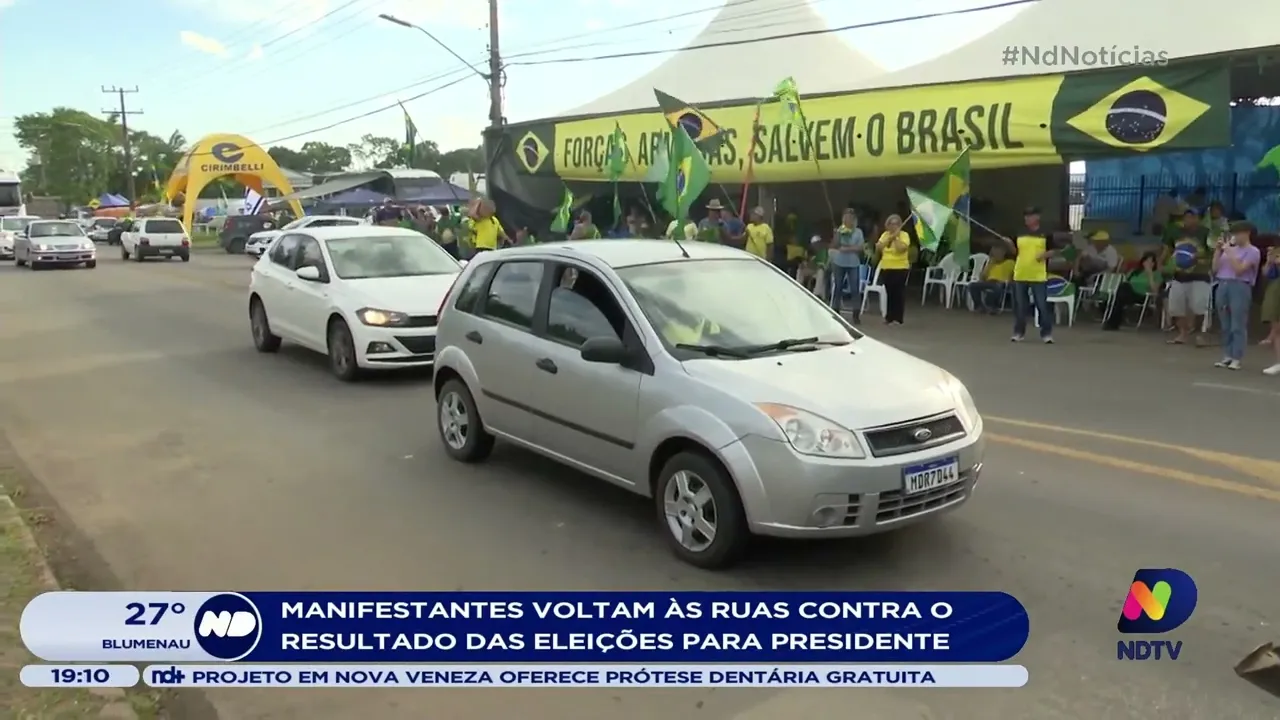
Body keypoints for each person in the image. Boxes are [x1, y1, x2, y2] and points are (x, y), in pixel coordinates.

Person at [1211, 221, 1262, 370]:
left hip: (1240, 285)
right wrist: (1218, 251)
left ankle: (1237, 357)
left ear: (1247, 233)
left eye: (1237, 233)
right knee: (1224, 323)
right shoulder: (1229, 250)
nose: (1234, 237)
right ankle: (1227, 354)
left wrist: (1230, 253)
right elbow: (1215, 268)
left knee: (1237, 323)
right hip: (1223, 284)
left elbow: (1239, 269)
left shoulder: (1253, 251)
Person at [1161, 209, 1213, 346]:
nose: (1189, 220)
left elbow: (1214, 252)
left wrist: (1199, 258)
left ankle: (1200, 335)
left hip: (1200, 275)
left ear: (1198, 219)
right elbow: (1168, 249)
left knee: (1199, 307)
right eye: (1187, 217)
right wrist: (1162, 263)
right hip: (1179, 275)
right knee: (1175, 307)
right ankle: (1182, 333)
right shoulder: (1175, 232)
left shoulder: (1206, 233)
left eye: (1193, 217)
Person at [1006, 206, 1056, 343]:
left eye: (1031, 216)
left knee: (1042, 305)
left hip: (1038, 275)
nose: (1027, 218)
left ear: (1038, 217)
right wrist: (1009, 244)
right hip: (1020, 273)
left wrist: (1045, 255)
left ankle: (1046, 333)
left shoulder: (1046, 233)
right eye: (1026, 216)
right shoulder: (1019, 232)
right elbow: (1015, 252)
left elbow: (1054, 251)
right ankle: (1018, 332)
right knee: (1020, 306)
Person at [1103, 252, 1162, 330]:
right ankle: (1113, 322)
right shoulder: (1135, 272)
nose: (1149, 264)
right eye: (1147, 261)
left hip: (1142, 296)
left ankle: (1113, 321)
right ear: (1143, 262)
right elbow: (1127, 280)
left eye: (1152, 262)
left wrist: (1150, 275)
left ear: (1154, 263)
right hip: (1128, 294)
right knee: (1122, 290)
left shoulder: (1156, 274)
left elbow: (1155, 291)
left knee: (1120, 295)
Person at [875, 214, 912, 325]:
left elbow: (901, 249)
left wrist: (896, 238)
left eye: (896, 224)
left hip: (900, 268)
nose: (893, 226)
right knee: (889, 292)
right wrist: (889, 239)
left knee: (898, 293)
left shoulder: (904, 235)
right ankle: (889, 317)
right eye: (891, 223)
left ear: (900, 225)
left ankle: (898, 318)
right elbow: (878, 247)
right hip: (887, 267)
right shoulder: (885, 235)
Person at [828, 208, 864, 319]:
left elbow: (860, 247)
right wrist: (836, 235)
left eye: (850, 217)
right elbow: (835, 245)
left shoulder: (858, 232)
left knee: (855, 288)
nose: (848, 219)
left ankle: (856, 313)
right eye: (846, 217)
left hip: (853, 263)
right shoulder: (840, 230)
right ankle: (835, 310)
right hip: (839, 262)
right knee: (838, 287)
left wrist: (847, 248)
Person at [966, 245, 1014, 314]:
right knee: (972, 286)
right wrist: (989, 265)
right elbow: (982, 277)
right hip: (989, 282)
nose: (996, 255)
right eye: (994, 253)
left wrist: (1009, 281)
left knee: (997, 287)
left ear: (1004, 253)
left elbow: (1013, 275)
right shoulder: (990, 263)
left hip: (1002, 282)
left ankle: (993, 307)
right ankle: (980, 306)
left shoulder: (1010, 262)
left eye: (998, 253)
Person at [1260, 246, 1280, 375]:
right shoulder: (1276, 251)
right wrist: (1269, 260)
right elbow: (1266, 273)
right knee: (1277, 326)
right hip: (1276, 289)